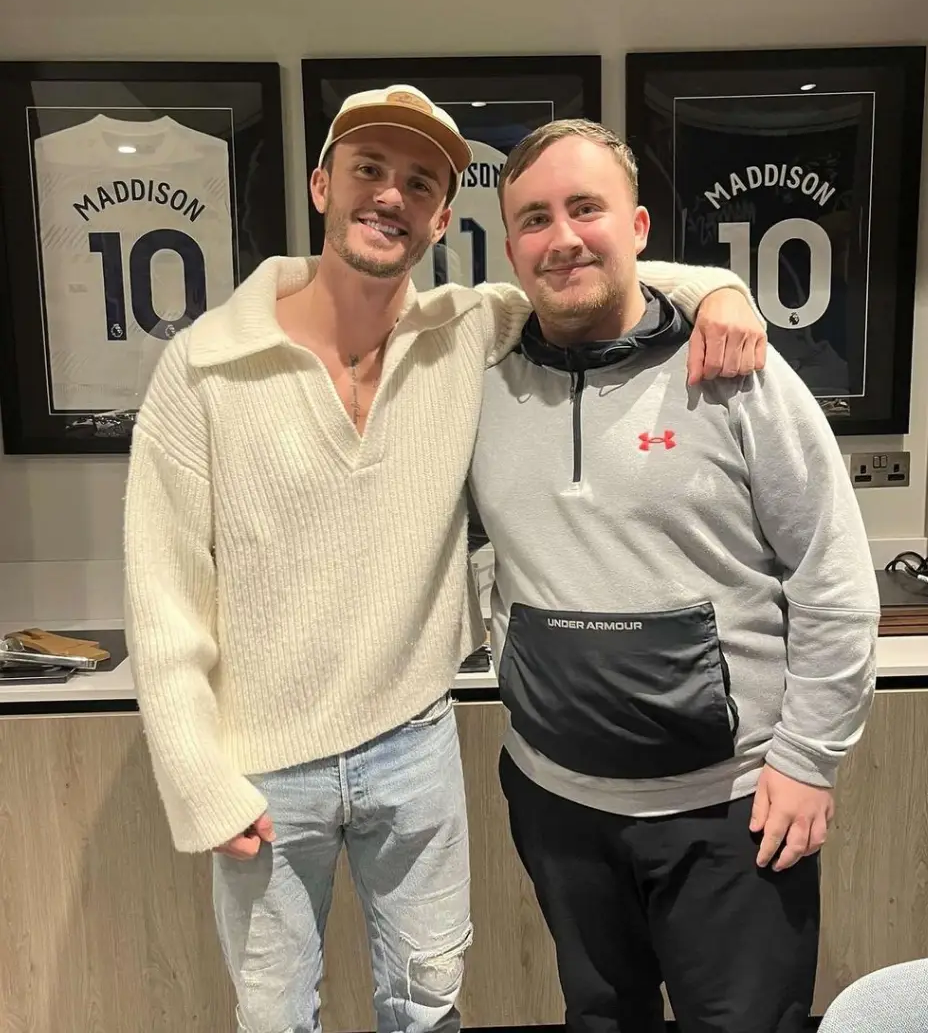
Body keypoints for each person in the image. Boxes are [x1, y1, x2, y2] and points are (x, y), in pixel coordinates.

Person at [122, 85, 767, 1033]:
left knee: (428, 1008)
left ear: (438, 218)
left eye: (418, 182)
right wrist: (195, 777)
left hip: (411, 742)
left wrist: (721, 288)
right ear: (320, 185)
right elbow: (163, 587)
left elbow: (592, 270)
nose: (390, 195)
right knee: (272, 1017)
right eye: (368, 170)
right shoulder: (209, 364)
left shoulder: (468, 332)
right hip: (259, 765)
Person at [466, 118, 881, 1033]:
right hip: (556, 801)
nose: (563, 236)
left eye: (587, 208)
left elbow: (833, 576)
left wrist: (810, 762)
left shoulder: (737, 375)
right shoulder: (481, 384)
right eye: (535, 218)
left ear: (642, 228)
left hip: (729, 810)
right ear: (510, 247)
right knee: (600, 1018)